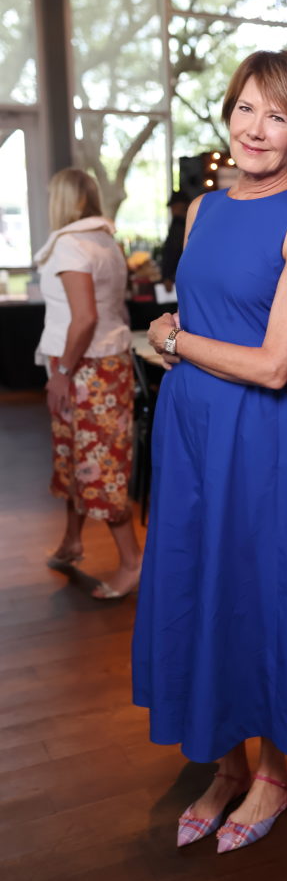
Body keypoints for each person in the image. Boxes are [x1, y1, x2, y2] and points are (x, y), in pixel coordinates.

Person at [131, 50, 287, 853]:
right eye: (245, 108)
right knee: (192, 581)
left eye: (275, 115)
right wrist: (164, 333)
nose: (255, 128)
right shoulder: (200, 211)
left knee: (258, 590)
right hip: (188, 425)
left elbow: (277, 362)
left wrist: (178, 338)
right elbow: (189, 319)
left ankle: (275, 772)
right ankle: (222, 763)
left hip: (259, 433)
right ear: (227, 115)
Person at [34, 168, 142, 600]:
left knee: (99, 466)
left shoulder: (70, 245)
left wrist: (61, 373)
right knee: (76, 456)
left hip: (83, 368)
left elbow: (85, 318)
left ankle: (132, 562)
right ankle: (72, 541)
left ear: (61, 200)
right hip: (106, 361)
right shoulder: (104, 241)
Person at [160, 190, 190, 291]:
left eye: (174, 206)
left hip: (180, 277)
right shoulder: (179, 223)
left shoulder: (180, 225)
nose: (172, 210)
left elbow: (173, 251)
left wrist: (168, 276)